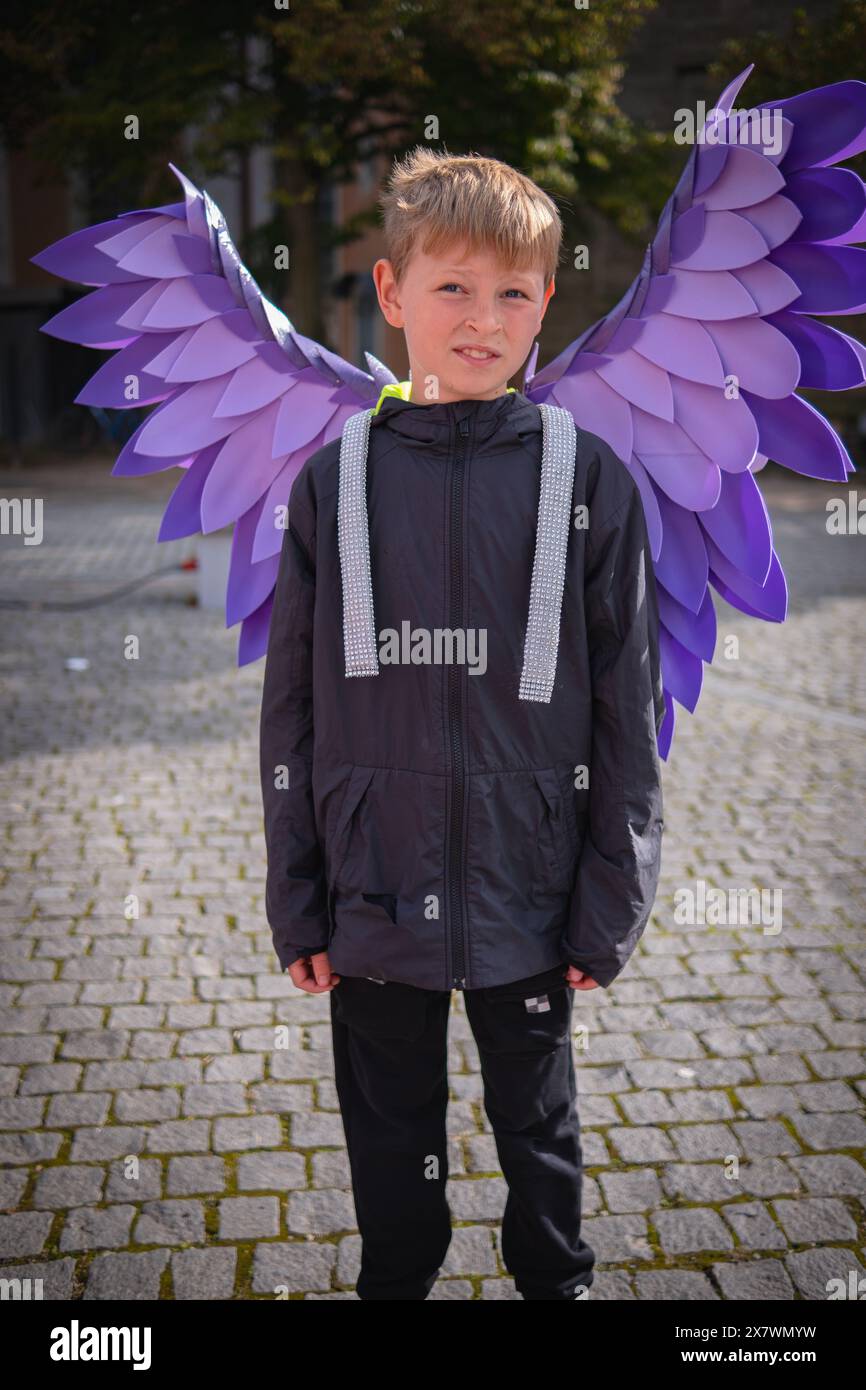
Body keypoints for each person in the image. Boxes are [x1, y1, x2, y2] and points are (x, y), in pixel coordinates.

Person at [259, 147, 666, 1300]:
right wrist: (298, 895)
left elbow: (624, 712)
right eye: (451, 287)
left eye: (512, 293)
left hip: (527, 888)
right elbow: (287, 708)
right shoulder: (329, 483)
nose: (481, 319)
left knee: (538, 1127)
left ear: (544, 303)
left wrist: (608, 898)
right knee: (388, 1138)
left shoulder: (585, 480)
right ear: (391, 294)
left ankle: (558, 1282)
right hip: (372, 883)